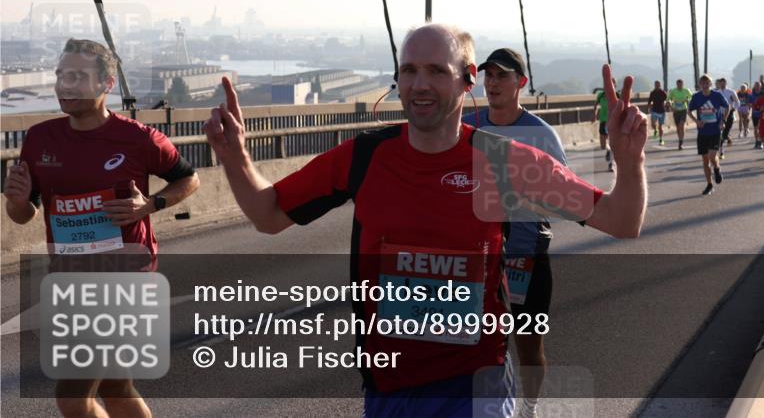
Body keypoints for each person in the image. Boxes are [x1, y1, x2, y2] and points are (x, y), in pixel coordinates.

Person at [204, 24, 648, 418]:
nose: (420, 84)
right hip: (389, 389)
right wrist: (236, 158)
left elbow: (622, 220)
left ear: (467, 79)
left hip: (476, 386)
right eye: (409, 70)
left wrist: (630, 162)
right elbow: (268, 214)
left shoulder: (504, 160)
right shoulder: (364, 156)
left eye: (436, 71)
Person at [3, 38, 200, 418]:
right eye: (61, 75)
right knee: (115, 387)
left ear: (107, 84)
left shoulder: (139, 139)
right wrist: (16, 200)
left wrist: (151, 204)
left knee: (72, 396)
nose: (65, 85)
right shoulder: (41, 138)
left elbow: (189, 178)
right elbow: (24, 215)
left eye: (78, 76)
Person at [462, 48, 565, 418]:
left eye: (501, 76)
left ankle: (529, 408)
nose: (492, 83)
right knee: (471, 343)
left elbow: (564, 198)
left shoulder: (541, 134)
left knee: (529, 346)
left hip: (525, 257)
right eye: (488, 75)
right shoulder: (466, 126)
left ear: (520, 82)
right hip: (475, 258)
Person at [688, 74, 729, 195]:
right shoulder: (696, 97)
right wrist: (696, 121)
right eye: (702, 83)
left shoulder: (717, 95)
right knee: (705, 160)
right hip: (702, 132)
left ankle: (717, 168)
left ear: (710, 84)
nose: (705, 85)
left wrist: (723, 121)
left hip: (715, 131)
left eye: (707, 83)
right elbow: (689, 111)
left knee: (712, 156)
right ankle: (709, 185)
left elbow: (727, 106)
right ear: (699, 85)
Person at [593, 79, 618, 171]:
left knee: (612, 142)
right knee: (603, 146)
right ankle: (608, 151)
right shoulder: (601, 95)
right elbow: (596, 105)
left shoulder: (617, 95)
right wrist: (594, 115)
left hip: (613, 121)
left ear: (615, 85)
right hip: (603, 121)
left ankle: (611, 164)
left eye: (611, 84)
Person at [715, 78, 740, 158]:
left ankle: (728, 137)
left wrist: (734, 108)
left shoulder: (731, 92)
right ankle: (721, 152)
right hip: (720, 115)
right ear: (719, 84)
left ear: (726, 83)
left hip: (729, 114)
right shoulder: (717, 93)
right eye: (721, 83)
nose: (722, 84)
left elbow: (737, 102)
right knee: (720, 134)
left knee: (725, 133)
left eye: (724, 83)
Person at [668, 79, 693, 150]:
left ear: (683, 84)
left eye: (681, 84)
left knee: (681, 125)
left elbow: (692, 98)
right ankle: (680, 139)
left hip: (683, 110)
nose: (679, 86)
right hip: (676, 110)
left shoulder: (686, 90)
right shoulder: (673, 91)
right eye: (678, 84)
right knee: (678, 127)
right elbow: (668, 99)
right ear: (676, 84)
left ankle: (680, 142)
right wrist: (671, 107)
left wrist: (687, 100)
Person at [647, 80, 668, 146]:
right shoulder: (652, 93)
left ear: (660, 85)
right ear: (654, 85)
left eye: (658, 85)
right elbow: (649, 100)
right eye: (656, 85)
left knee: (660, 126)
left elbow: (666, 99)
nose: (657, 86)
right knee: (653, 124)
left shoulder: (663, 92)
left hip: (662, 111)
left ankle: (661, 139)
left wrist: (667, 104)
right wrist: (649, 107)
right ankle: (655, 130)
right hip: (654, 110)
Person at [749, 82, 763, 149]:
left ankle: (761, 142)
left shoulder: (763, 94)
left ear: (760, 86)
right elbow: (749, 104)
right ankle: (757, 141)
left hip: (762, 114)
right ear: (754, 86)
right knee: (755, 129)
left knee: (760, 128)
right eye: (756, 85)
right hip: (755, 114)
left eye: (758, 86)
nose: (757, 87)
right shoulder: (751, 95)